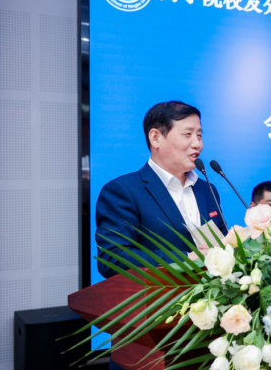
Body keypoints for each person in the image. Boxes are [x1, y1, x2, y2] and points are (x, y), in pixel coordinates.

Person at [95, 101, 227, 280]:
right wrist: (186, 259)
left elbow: (219, 245)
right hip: (160, 296)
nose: (197, 144)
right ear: (155, 138)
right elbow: (112, 257)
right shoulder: (123, 191)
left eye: (199, 135)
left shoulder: (207, 190)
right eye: (187, 134)